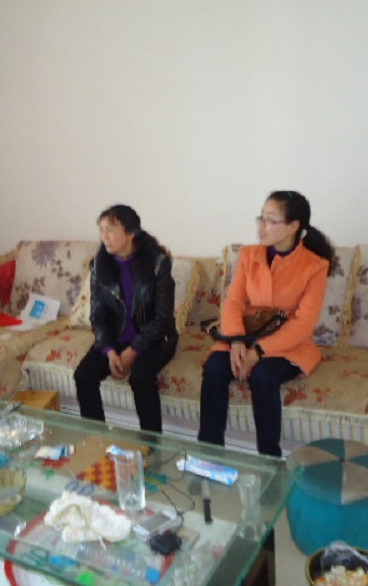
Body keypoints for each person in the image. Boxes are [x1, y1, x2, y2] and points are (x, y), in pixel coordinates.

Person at [198, 191, 335, 456]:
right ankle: (208, 454)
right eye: (261, 218)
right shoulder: (249, 255)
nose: (262, 227)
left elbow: (304, 323)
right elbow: (234, 302)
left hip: (288, 343)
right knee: (215, 367)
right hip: (246, 333)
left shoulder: (315, 265)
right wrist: (236, 340)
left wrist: (260, 350)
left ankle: (269, 459)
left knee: (262, 375)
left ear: (293, 227)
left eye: (271, 220)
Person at [74, 204, 178, 433]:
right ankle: (96, 441)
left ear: (130, 233)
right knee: (84, 375)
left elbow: (162, 317)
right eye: (102, 230)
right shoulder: (99, 265)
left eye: (111, 230)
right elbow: (98, 314)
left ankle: (152, 445)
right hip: (116, 337)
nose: (105, 237)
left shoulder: (158, 263)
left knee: (140, 377)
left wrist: (133, 351)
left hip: (156, 338)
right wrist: (110, 350)